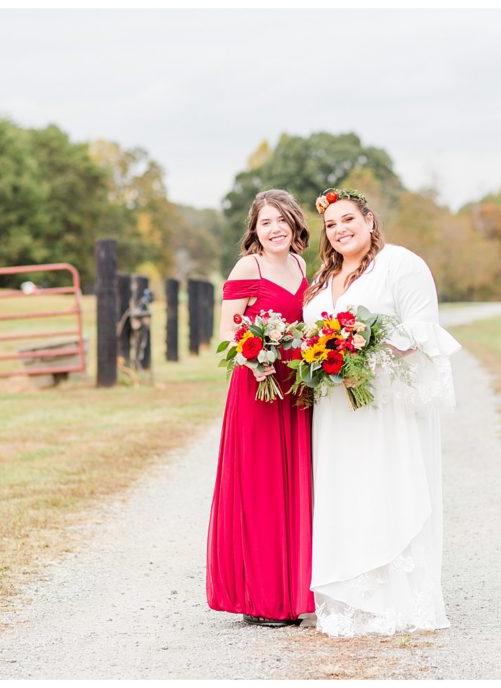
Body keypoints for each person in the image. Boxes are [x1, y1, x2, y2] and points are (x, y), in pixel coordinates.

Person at [302, 187, 461, 637]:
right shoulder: (323, 278)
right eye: (331, 225)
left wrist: (364, 342)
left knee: (386, 487)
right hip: (335, 410)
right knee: (344, 492)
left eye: (348, 219)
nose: (339, 230)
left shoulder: (401, 264)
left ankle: (396, 600)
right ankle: (350, 595)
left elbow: (423, 330)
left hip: (385, 406)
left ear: (369, 220)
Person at [206, 189, 314, 627]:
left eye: (283, 220)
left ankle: (291, 595)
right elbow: (229, 334)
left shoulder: (302, 266)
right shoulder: (247, 267)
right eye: (267, 222)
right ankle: (259, 598)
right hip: (258, 387)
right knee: (261, 486)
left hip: (296, 388)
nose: (276, 229)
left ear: (295, 225)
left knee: (294, 485)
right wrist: (260, 358)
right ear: (255, 228)